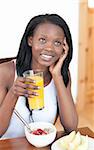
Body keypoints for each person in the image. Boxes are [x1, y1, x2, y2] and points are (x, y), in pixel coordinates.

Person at [0, 13, 78, 139]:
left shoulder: (61, 74)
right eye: (42, 40)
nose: (49, 48)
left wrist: (57, 76)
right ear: (30, 40)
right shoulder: (5, 73)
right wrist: (13, 94)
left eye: (57, 43)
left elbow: (71, 127)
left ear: (64, 48)